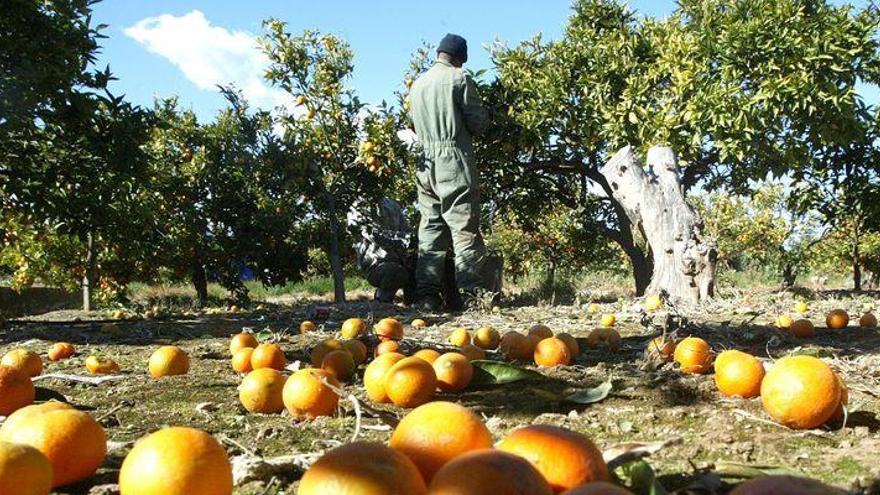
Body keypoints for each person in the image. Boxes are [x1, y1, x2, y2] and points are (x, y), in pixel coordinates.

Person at [409, 33, 490, 311]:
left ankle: (427, 296)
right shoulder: (460, 79)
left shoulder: (417, 84)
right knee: (463, 225)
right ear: (459, 58)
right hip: (452, 158)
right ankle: (472, 295)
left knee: (430, 227)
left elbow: (413, 124)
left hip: (424, 162)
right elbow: (478, 122)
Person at [346, 197, 414, 303]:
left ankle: (414, 304)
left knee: (422, 266)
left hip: (399, 260)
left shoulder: (393, 205)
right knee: (393, 272)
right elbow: (373, 235)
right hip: (375, 263)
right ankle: (381, 300)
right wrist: (401, 240)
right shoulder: (358, 207)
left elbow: (407, 231)